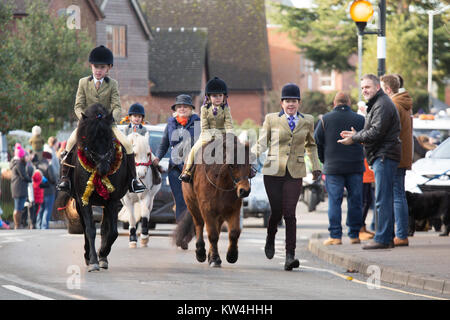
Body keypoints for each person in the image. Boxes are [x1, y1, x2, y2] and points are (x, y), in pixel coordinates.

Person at [57, 45, 146, 194]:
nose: (98, 70)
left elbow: (117, 106)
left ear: (108, 68)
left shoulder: (113, 84)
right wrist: (84, 119)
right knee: (70, 142)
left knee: (127, 144)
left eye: (102, 67)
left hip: (106, 124)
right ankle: (65, 178)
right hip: (86, 124)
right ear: (91, 66)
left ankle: (133, 180)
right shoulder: (83, 82)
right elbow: (78, 106)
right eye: (96, 67)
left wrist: (110, 119)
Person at [252, 83, 321, 270]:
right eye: (287, 101)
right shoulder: (271, 119)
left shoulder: (307, 120)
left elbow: (311, 145)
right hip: (273, 172)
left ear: (299, 103)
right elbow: (261, 143)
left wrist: (316, 166)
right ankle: (270, 236)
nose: (291, 104)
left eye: (294, 101)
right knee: (276, 212)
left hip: (295, 172)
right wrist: (249, 161)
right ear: (282, 103)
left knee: (290, 213)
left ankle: (290, 255)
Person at [338, 74, 401, 250]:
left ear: (377, 87)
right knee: (383, 198)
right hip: (383, 155)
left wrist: (355, 138)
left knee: (382, 199)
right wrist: (356, 135)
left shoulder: (382, 104)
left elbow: (376, 132)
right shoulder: (378, 103)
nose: (365, 90)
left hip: (384, 155)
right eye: (363, 88)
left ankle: (382, 238)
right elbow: (373, 130)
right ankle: (386, 237)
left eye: (368, 87)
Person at [314, 92, 365, 245]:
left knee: (334, 201)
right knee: (355, 200)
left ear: (334, 104)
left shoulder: (324, 120)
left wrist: (324, 160)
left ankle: (335, 236)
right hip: (355, 166)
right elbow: (366, 139)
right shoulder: (360, 119)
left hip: (333, 167)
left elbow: (318, 141)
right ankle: (354, 235)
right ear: (349, 103)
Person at [154, 94, 200, 224]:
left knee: (193, 200)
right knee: (180, 201)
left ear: (191, 109)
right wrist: (157, 157)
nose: (182, 109)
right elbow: (164, 144)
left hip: (193, 168)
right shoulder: (170, 124)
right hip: (175, 169)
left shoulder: (197, 123)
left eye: (185, 106)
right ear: (175, 109)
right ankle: (182, 231)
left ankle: (195, 227)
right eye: (179, 106)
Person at [179, 77, 233, 183]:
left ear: (224, 97)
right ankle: (187, 171)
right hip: (206, 135)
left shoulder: (226, 109)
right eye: (214, 96)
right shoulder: (204, 109)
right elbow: (204, 126)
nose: (217, 98)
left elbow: (229, 125)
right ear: (208, 97)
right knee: (194, 150)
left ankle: (246, 172)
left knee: (238, 150)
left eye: (220, 95)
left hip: (223, 135)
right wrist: (212, 137)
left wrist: (230, 136)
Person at [380, 74, 413, 247]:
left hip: (393, 155)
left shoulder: (392, 104)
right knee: (398, 194)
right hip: (402, 154)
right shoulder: (404, 104)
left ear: (387, 89)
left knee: (395, 195)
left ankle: (400, 234)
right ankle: (400, 233)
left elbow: (384, 131)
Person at [10, 143, 32, 229]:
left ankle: (17, 224)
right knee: (18, 208)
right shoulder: (19, 164)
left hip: (17, 188)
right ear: (22, 156)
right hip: (19, 189)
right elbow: (24, 176)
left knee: (18, 207)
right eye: (25, 156)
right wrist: (31, 180)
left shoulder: (15, 163)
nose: (27, 157)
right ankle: (17, 225)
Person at [36, 151, 57, 229]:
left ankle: (38, 226)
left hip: (40, 190)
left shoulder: (37, 166)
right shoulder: (49, 166)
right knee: (47, 209)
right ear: (48, 158)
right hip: (49, 190)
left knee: (41, 209)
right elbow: (53, 179)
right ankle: (44, 226)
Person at [360, 158, 375, 239]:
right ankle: (359, 229)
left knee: (367, 201)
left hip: (367, 173)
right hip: (363, 173)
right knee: (363, 202)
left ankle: (363, 227)